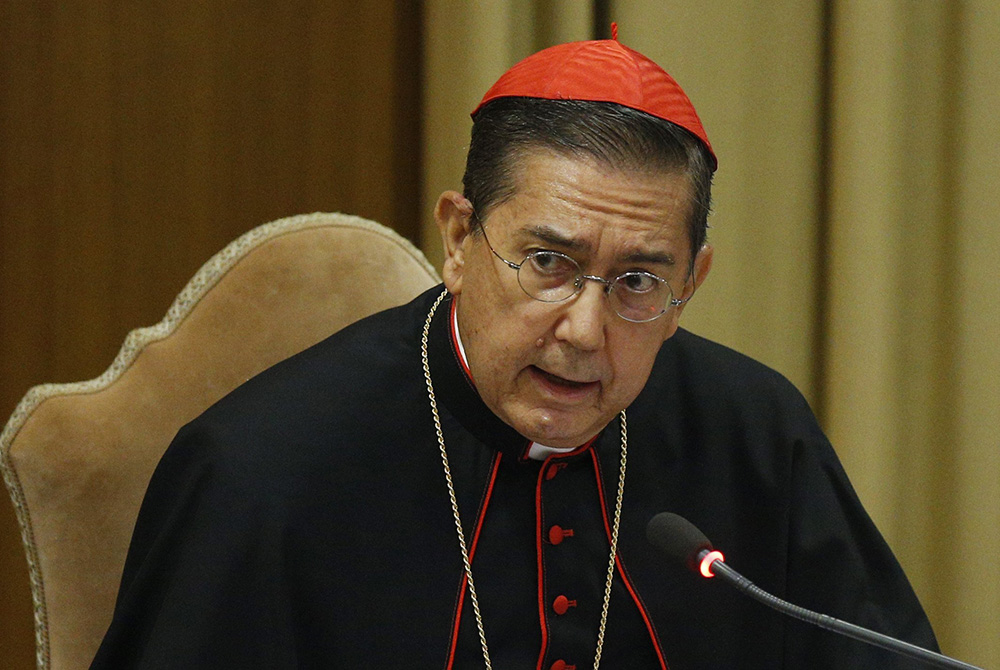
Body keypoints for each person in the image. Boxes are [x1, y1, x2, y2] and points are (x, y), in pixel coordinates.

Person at [92, 32, 938, 669]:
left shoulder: (754, 432)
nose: (583, 331)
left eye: (639, 280)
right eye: (548, 263)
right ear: (459, 238)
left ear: (694, 282)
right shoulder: (262, 471)